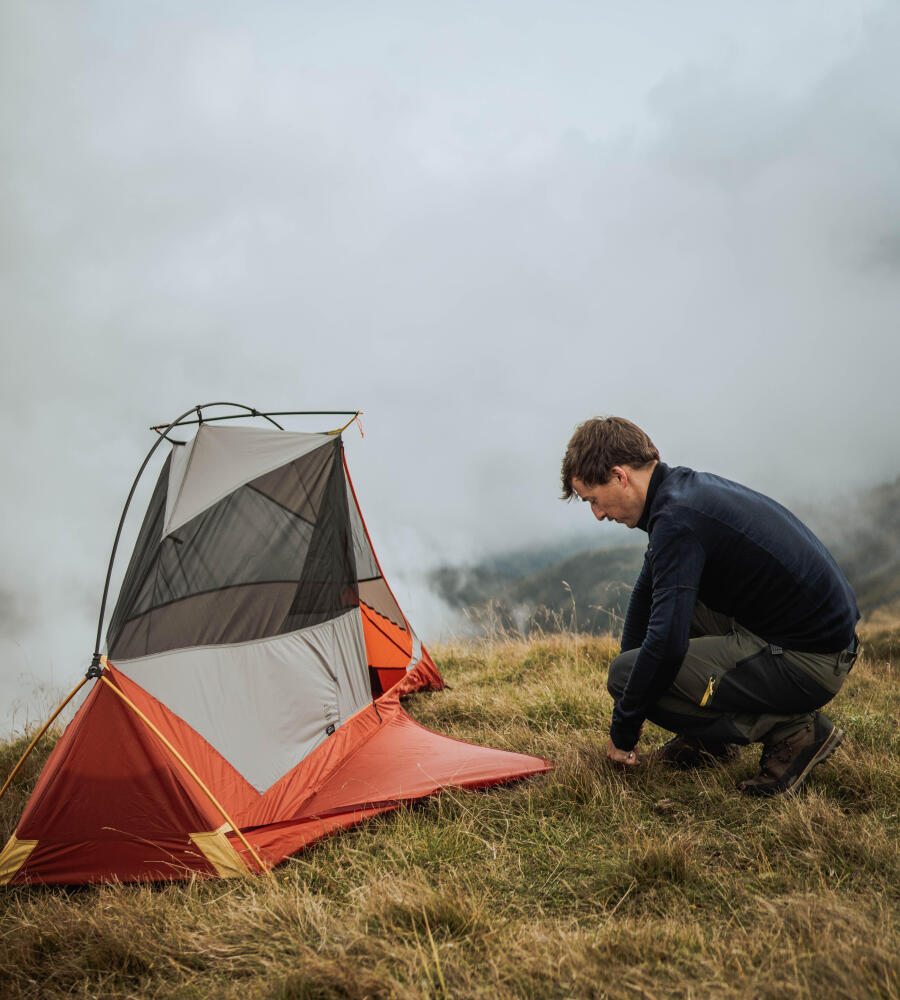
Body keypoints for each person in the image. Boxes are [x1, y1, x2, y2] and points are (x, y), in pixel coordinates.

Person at [560, 416, 859, 795]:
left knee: (627, 674)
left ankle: (793, 731)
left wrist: (624, 726)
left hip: (811, 661)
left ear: (620, 477)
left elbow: (666, 645)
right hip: (815, 640)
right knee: (639, 664)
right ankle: (708, 740)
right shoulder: (680, 494)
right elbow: (647, 596)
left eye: (594, 500)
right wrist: (631, 698)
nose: (598, 514)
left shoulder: (677, 519)